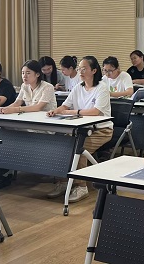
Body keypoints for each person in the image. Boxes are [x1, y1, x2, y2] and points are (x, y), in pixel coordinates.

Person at [47, 56, 112, 203]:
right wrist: (55, 111)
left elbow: (95, 111)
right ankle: (63, 182)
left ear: (94, 70)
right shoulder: (78, 87)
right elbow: (65, 105)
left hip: (101, 130)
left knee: (79, 149)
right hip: (80, 129)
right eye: (79, 69)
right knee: (61, 146)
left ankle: (81, 187)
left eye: (84, 69)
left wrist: (72, 112)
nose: (80, 72)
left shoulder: (102, 88)